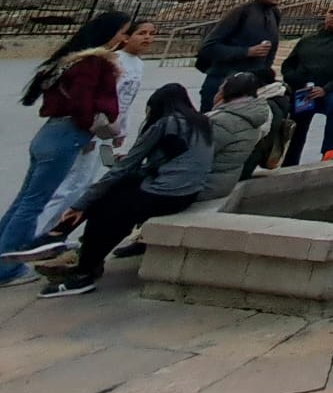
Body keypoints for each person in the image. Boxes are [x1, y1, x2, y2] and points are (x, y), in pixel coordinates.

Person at [33, 84, 215, 297]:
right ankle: (67, 241)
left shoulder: (164, 124)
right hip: (186, 193)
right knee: (114, 193)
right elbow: (177, 162)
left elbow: (122, 169)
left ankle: (83, 273)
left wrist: (81, 203)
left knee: (104, 209)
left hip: (165, 193)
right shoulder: (201, 123)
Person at [0, 11, 131, 286]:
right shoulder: (95, 63)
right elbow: (84, 104)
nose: (124, 37)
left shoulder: (70, 60)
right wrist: (93, 124)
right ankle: (7, 268)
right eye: (123, 31)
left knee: (25, 200)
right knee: (34, 203)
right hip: (68, 134)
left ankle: (5, 255)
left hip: (49, 132)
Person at [32, 16, 155, 255]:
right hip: (92, 130)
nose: (147, 38)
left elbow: (125, 102)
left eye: (151, 33)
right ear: (125, 37)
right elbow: (99, 100)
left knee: (86, 182)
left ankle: (56, 231)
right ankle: (40, 234)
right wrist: (92, 132)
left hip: (107, 131)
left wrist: (121, 130)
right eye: (141, 33)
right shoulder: (112, 61)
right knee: (72, 184)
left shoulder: (138, 65)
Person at [280, 0, 333, 166]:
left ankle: (329, 151)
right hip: (305, 90)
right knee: (299, 124)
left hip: (328, 89)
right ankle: (289, 162)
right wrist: (298, 82)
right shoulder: (308, 39)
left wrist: (326, 89)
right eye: (331, 12)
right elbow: (288, 65)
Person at [197, 0, 285, 112]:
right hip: (222, 83)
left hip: (250, 88)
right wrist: (246, 52)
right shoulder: (241, 12)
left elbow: (270, 52)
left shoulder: (274, 14)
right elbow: (208, 48)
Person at [203, 73, 273, 199]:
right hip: (225, 181)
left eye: (220, 90)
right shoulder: (255, 114)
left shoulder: (223, 121)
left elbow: (199, 152)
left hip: (207, 183)